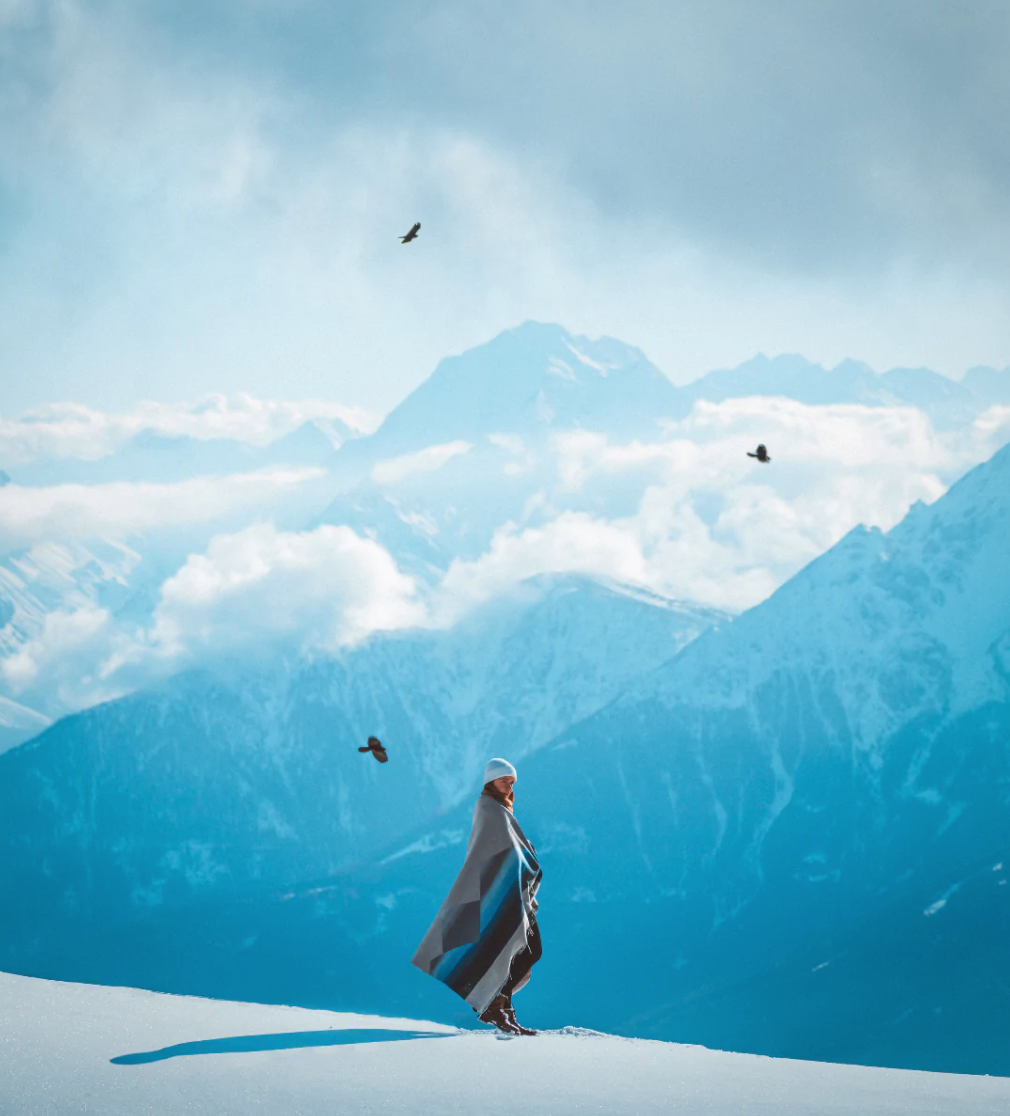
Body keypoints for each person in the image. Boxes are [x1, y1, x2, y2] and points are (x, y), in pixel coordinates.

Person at [412, 758, 542, 1035]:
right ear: (491, 781)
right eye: (504, 780)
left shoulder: (501, 809)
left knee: (527, 952)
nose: (509, 785)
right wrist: (521, 859)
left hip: (510, 893)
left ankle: (500, 1005)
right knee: (522, 950)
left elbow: (511, 849)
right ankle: (497, 1007)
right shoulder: (489, 809)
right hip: (499, 894)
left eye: (512, 782)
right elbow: (491, 852)